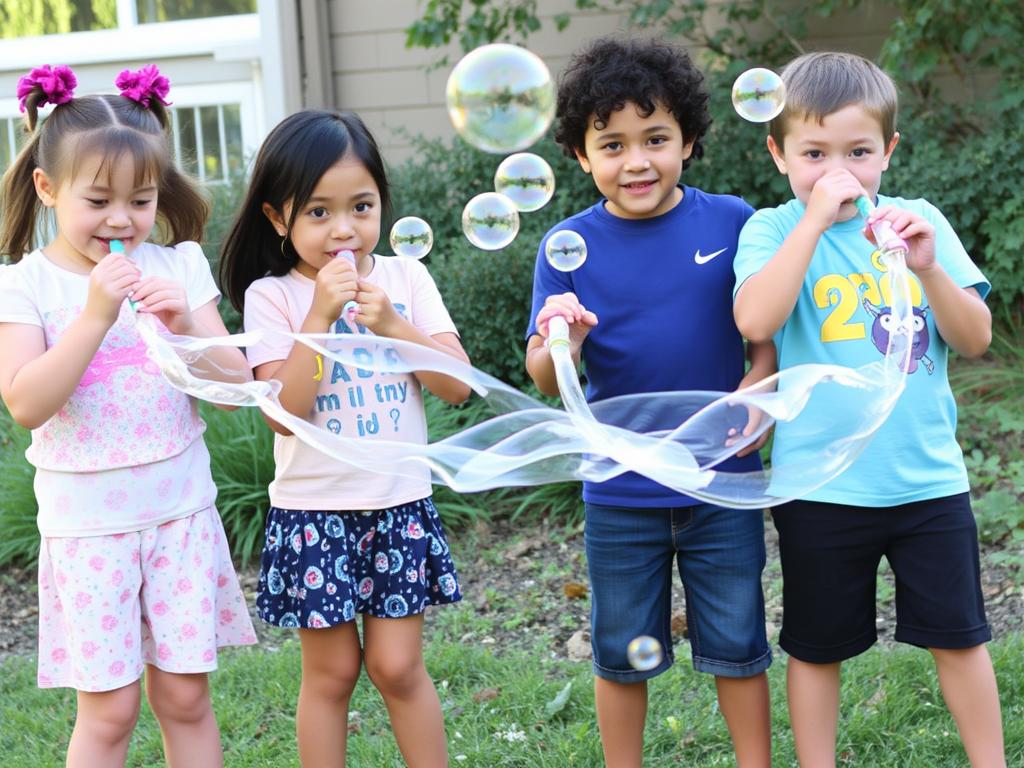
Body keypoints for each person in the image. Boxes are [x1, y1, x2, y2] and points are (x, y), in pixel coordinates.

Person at [733, 51, 1005, 767]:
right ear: (778, 153)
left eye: (857, 152)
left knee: (959, 635)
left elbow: (974, 338)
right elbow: (757, 322)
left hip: (927, 481)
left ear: (887, 151)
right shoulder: (771, 230)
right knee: (818, 644)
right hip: (823, 485)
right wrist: (813, 224)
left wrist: (929, 268)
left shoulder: (921, 224)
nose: (837, 171)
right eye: (813, 154)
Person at [525, 36, 776, 768]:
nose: (636, 161)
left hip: (722, 478)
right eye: (612, 145)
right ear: (580, 156)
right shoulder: (567, 245)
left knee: (738, 640)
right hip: (619, 488)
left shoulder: (733, 222)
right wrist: (560, 339)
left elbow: (768, 330)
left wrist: (759, 379)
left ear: (689, 139)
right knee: (619, 650)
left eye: (655, 139)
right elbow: (546, 373)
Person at [0, 64, 256, 768]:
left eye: (140, 200)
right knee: (110, 711)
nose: (122, 220)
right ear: (48, 190)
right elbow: (26, 402)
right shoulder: (25, 285)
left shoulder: (177, 265)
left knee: (185, 698)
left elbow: (235, 386)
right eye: (99, 199)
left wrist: (184, 332)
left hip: (179, 513)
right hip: (90, 529)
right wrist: (95, 314)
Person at [219, 109, 470, 768]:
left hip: (397, 505)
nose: (344, 229)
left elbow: (457, 386)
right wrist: (321, 315)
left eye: (361, 206)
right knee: (330, 676)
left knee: (397, 666)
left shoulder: (406, 281)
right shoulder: (272, 297)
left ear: (382, 202)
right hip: (313, 513)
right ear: (279, 218)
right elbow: (283, 410)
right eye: (319, 212)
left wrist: (392, 323)